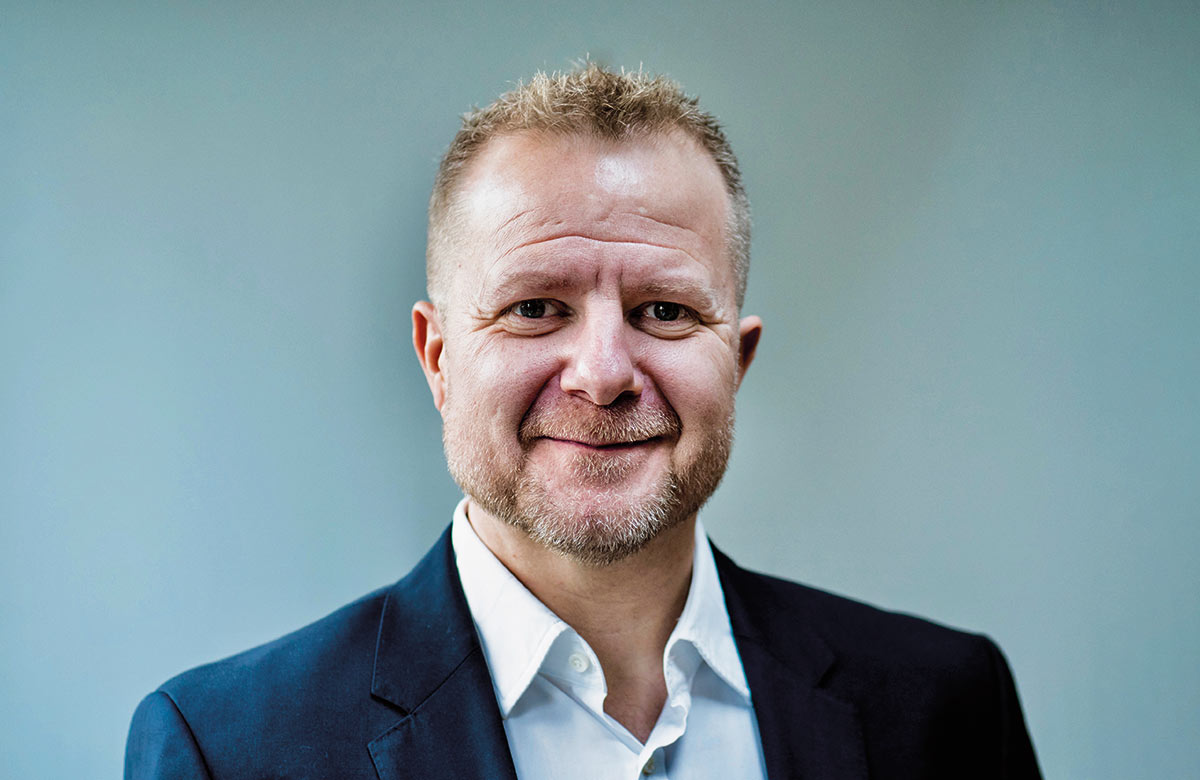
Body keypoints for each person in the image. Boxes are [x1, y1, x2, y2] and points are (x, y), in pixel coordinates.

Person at [125, 64, 1042, 779]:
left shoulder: (945, 708)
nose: (603, 376)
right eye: (535, 308)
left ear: (739, 358)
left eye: (665, 311)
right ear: (438, 356)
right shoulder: (225, 752)